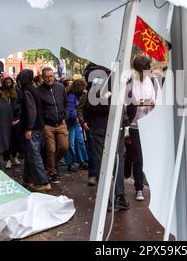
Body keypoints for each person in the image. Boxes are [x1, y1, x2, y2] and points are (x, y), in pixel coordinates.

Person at [84, 62, 129, 211]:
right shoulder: (113, 72)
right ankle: (119, 196)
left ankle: (106, 199)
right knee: (117, 160)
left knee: (101, 161)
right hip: (114, 122)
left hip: (98, 124)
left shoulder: (91, 75)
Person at [126, 55, 156, 201]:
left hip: (150, 124)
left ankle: (152, 185)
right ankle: (139, 188)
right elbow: (133, 101)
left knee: (149, 157)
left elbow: (156, 100)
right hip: (135, 126)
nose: (149, 70)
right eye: (146, 68)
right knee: (138, 158)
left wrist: (151, 102)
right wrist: (148, 101)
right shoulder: (130, 82)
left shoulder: (151, 81)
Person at [20, 69, 51, 192]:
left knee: (34, 155)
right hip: (38, 126)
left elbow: (31, 111)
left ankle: (44, 182)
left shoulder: (27, 90)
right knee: (30, 154)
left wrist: (29, 128)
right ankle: (28, 180)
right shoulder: (34, 88)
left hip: (32, 128)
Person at [38, 67, 69, 184]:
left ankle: (52, 164)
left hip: (61, 123)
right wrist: (42, 124)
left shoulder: (60, 87)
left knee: (64, 147)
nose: (49, 78)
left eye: (51, 76)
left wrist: (65, 116)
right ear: (43, 77)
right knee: (51, 149)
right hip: (48, 125)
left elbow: (66, 103)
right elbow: (38, 109)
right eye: (47, 76)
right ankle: (52, 172)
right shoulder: (39, 91)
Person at [0, 72, 23, 169]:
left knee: (17, 140)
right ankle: (7, 160)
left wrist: (18, 112)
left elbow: (21, 102)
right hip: (5, 121)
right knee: (7, 141)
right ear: (3, 81)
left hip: (16, 119)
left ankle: (14, 156)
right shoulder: (0, 91)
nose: (8, 82)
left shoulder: (17, 90)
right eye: (6, 81)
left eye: (9, 81)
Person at [66, 79, 89, 171]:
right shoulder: (71, 97)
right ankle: (71, 162)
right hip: (71, 122)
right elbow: (70, 110)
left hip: (75, 122)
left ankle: (82, 161)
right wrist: (76, 118)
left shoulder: (76, 96)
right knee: (71, 143)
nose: (84, 90)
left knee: (80, 141)